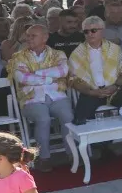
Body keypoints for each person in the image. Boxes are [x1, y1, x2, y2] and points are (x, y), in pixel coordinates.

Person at [10, 23, 76, 158]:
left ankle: (73, 154)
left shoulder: (57, 54)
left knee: (68, 117)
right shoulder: (18, 57)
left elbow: (63, 71)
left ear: (45, 38)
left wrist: (35, 72)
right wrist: (50, 79)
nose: (28, 39)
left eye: (33, 36)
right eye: (27, 36)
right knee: (43, 119)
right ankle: (43, 157)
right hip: (31, 98)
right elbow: (22, 78)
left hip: (57, 96)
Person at [67, 17, 122, 125]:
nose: (90, 34)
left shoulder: (115, 49)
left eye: (94, 30)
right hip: (91, 92)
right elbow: (74, 80)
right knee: (80, 120)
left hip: (115, 90)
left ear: (102, 31)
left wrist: (115, 86)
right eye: (86, 31)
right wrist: (92, 92)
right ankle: (96, 142)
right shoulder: (77, 53)